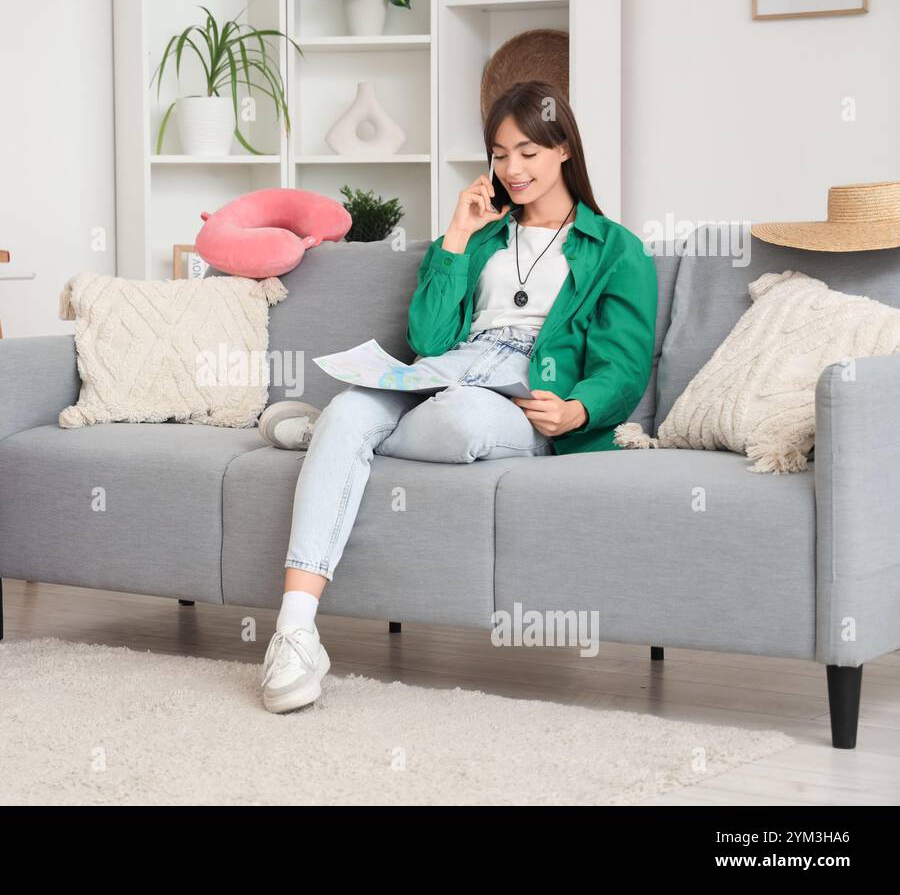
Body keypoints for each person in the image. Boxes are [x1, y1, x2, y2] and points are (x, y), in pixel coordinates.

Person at [256, 80, 658, 713]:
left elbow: (625, 363)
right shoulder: (487, 236)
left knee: (459, 422)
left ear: (563, 151)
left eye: (527, 151)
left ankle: (326, 438)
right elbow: (428, 337)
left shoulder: (616, 249)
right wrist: (455, 237)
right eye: (499, 154)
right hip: (447, 369)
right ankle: (295, 631)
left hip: (525, 392)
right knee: (354, 406)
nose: (512, 169)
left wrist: (579, 409)